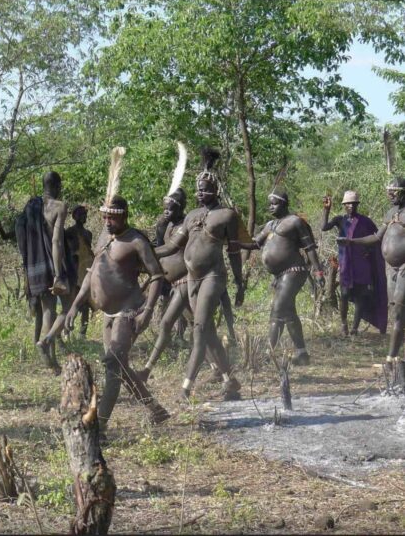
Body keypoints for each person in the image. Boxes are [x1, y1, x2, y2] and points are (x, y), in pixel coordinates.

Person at [65, 192, 170, 439]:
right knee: (119, 367)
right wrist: (74, 305)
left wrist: (147, 312)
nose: (107, 222)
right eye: (105, 217)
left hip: (129, 311)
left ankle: (100, 426)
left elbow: (157, 275)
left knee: (112, 364)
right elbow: (92, 273)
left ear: (124, 216)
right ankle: (155, 409)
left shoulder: (136, 241)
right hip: (108, 313)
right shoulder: (104, 237)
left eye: (112, 217)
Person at [155, 148, 244, 401]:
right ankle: (230, 381)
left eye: (205, 189)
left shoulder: (227, 215)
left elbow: (234, 252)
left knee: (200, 329)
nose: (201, 193)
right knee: (208, 332)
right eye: (198, 190)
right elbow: (171, 247)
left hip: (213, 277)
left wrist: (239, 283)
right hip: (193, 279)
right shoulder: (192, 216)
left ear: (216, 189)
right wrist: (144, 252)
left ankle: (185, 388)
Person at [239, 189, 325, 365]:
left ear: (284, 204)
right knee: (288, 313)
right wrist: (233, 240)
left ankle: (268, 354)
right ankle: (302, 354)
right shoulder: (270, 225)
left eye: (275, 203)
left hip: (294, 271)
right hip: (280, 276)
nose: (271, 207)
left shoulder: (295, 222)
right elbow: (254, 243)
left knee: (277, 310)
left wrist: (318, 271)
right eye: (269, 204)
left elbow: (309, 247)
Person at [339, 178, 405, 383]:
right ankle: (393, 358)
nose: (390, 194)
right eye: (388, 191)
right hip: (391, 270)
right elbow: (376, 238)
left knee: (399, 311)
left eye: (394, 191)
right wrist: (351, 241)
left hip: (404, 268)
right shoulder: (390, 213)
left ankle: (391, 358)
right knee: (396, 312)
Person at [15, 171, 74, 374]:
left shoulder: (31, 206)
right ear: (58, 186)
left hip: (35, 267)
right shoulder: (59, 206)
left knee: (48, 310)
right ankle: (46, 341)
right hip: (54, 265)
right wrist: (59, 274)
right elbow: (56, 241)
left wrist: (27, 263)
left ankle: (53, 360)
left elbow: (20, 233)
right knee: (69, 308)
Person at [322, 190, 387, 336]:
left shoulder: (366, 221)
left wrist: (368, 252)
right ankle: (344, 324)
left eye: (353, 203)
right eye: (348, 204)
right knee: (344, 294)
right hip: (345, 264)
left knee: (360, 297)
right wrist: (326, 210)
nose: (350, 206)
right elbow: (324, 227)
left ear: (357, 205)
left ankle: (354, 328)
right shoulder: (340, 220)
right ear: (344, 205)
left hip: (361, 265)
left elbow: (376, 239)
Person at [65, 206, 93, 337]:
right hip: (73, 271)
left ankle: (82, 334)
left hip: (86, 270)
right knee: (71, 302)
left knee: (86, 303)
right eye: (81, 214)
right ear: (74, 216)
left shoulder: (88, 234)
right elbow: (66, 251)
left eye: (85, 214)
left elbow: (88, 251)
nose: (83, 217)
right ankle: (67, 331)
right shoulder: (69, 232)